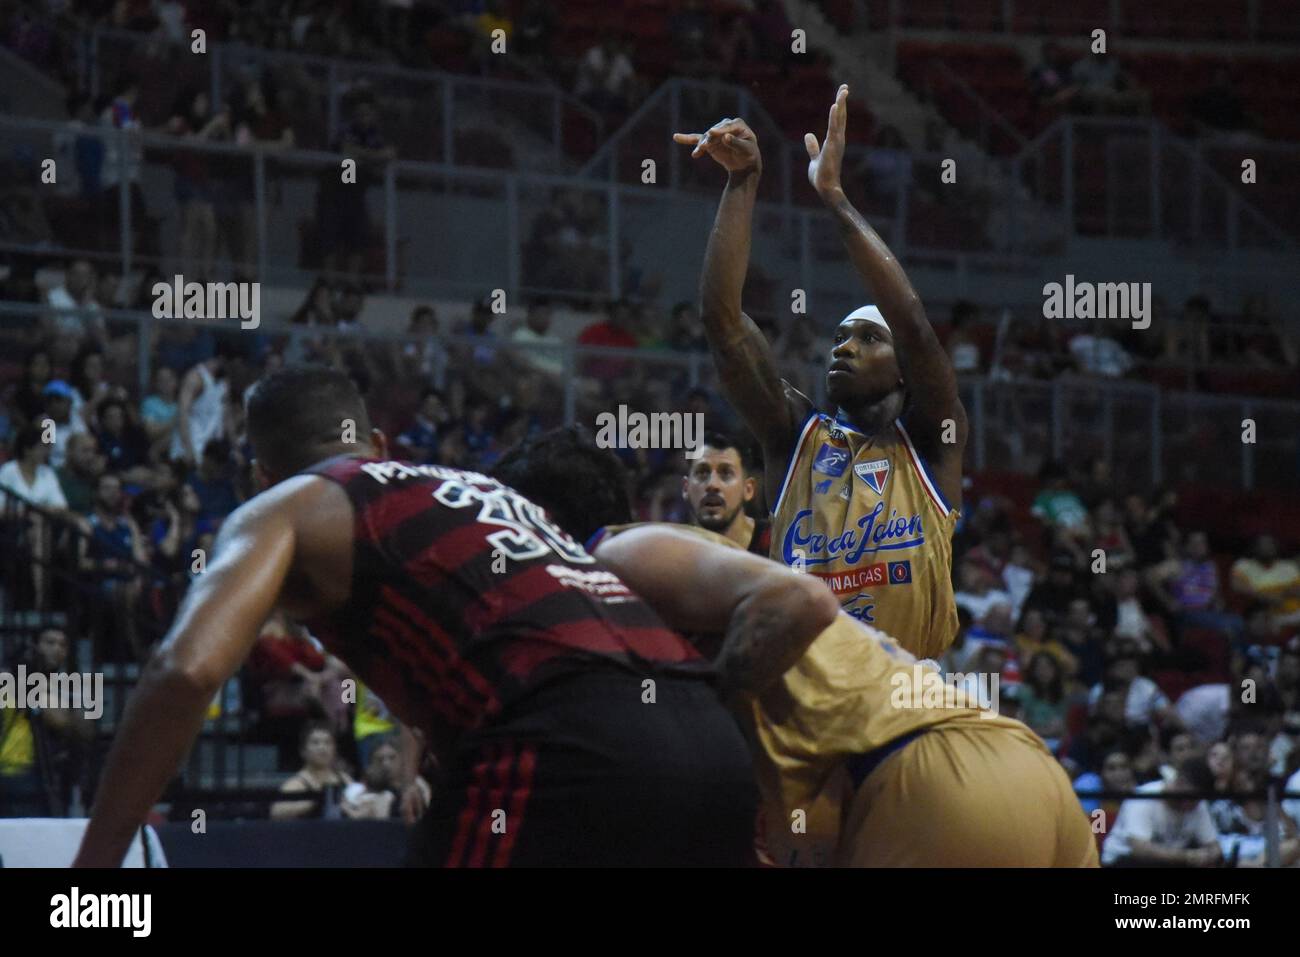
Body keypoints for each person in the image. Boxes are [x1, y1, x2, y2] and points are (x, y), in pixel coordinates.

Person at [74, 366, 763, 867]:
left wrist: (91, 877)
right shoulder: (485, 488)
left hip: (565, 747)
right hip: (715, 749)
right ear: (377, 442)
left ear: (263, 474)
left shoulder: (288, 505)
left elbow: (185, 669)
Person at [497, 427, 1097, 867]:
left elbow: (805, 601)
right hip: (1022, 775)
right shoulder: (676, 585)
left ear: (535, 520)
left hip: (931, 780)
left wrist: (707, 717)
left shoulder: (614, 554)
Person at [673, 86, 965, 659]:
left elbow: (914, 326)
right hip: (808, 693)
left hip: (907, 696)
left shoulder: (932, 440)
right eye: (838, 338)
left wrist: (834, 199)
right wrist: (742, 183)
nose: (843, 348)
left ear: (905, 371)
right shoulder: (794, 435)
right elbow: (723, 325)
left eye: (867, 338)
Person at [1100, 758, 1222, 867]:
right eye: (1190, 800)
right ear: (1180, 783)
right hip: (1124, 860)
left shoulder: (1198, 805)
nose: (1193, 806)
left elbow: (1213, 845)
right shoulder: (1142, 799)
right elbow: (1139, 849)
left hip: (1171, 861)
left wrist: (1209, 855)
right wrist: (1187, 856)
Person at [681, 432, 768, 553]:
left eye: (726, 473)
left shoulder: (776, 541)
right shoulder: (672, 551)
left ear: (748, 489)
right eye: (702, 473)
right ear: (686, 488)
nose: (712, 485)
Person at [270, 722, 353, 820]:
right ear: (303, 751)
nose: (322, 748)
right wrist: (312, 802)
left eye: (328, 742)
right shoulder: (296, 784)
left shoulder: (345, 779)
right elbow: (275, 813)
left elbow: (360, 805)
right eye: (315, 743)